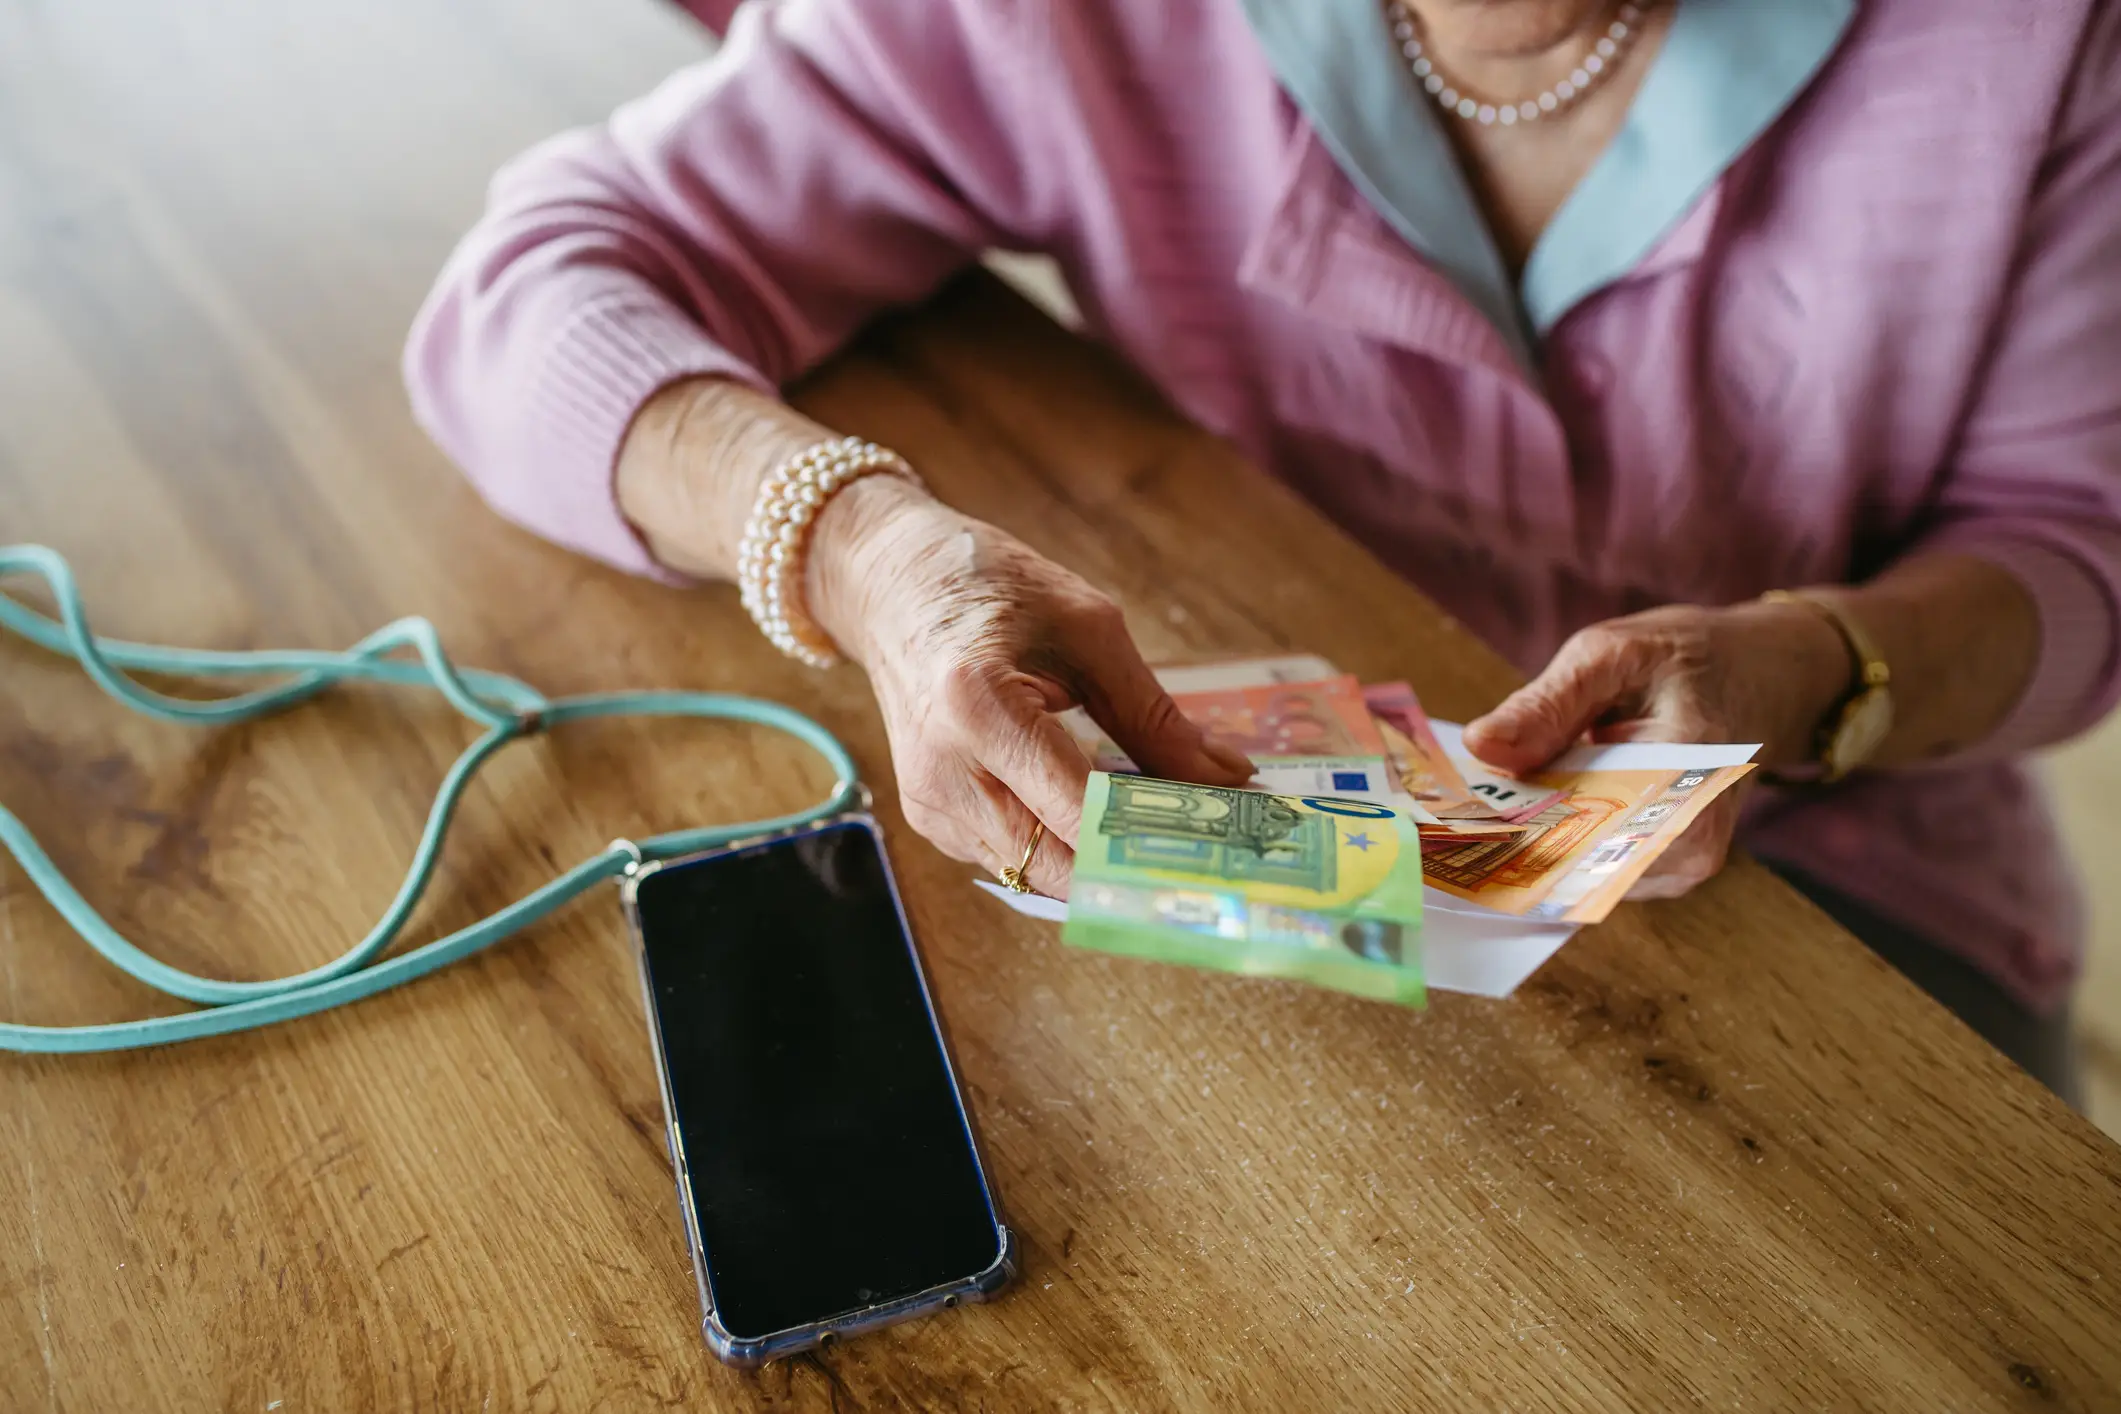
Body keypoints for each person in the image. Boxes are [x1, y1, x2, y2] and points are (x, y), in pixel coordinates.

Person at [405, 0, 2121, 1104]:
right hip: (1274, 911)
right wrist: (866, 553)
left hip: (1847, 884)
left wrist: (1827, 663)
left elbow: (2074, 539)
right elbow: (533, 293)